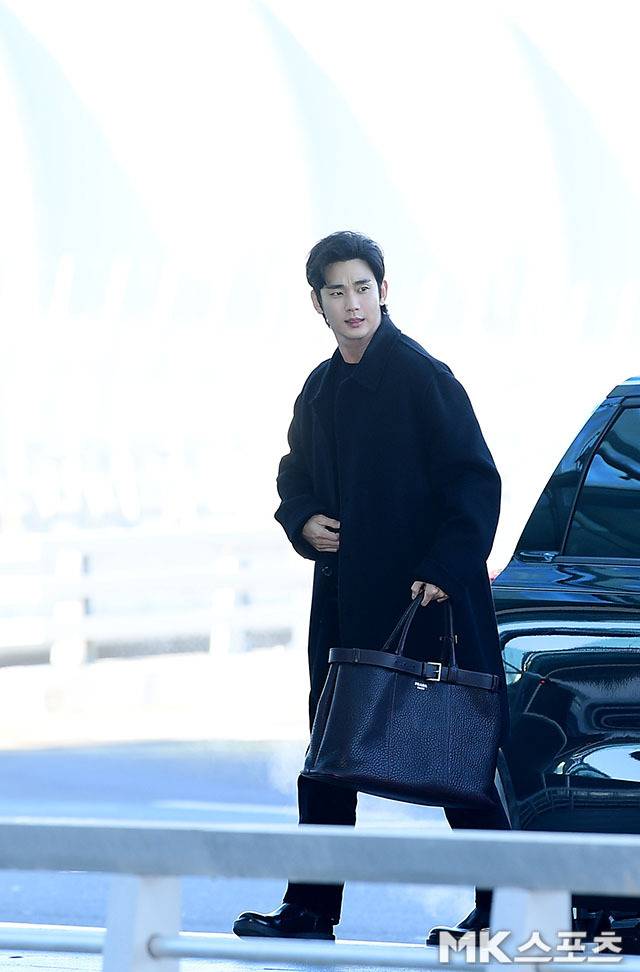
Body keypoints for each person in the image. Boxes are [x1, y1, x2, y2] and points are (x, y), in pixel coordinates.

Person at [233, 230, 511, 946]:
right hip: (346, 604)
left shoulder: (423, 378)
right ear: (318, 304)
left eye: (363, 287)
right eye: (337, 292)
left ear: (383, 291)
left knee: (456, 762)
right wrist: (303, 519)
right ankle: (309, 911)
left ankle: (505, 910)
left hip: (428, 604)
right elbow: (293, 473)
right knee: (328, 758)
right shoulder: (320, 389)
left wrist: (445, 570)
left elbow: (475, 482)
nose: (352, 303)